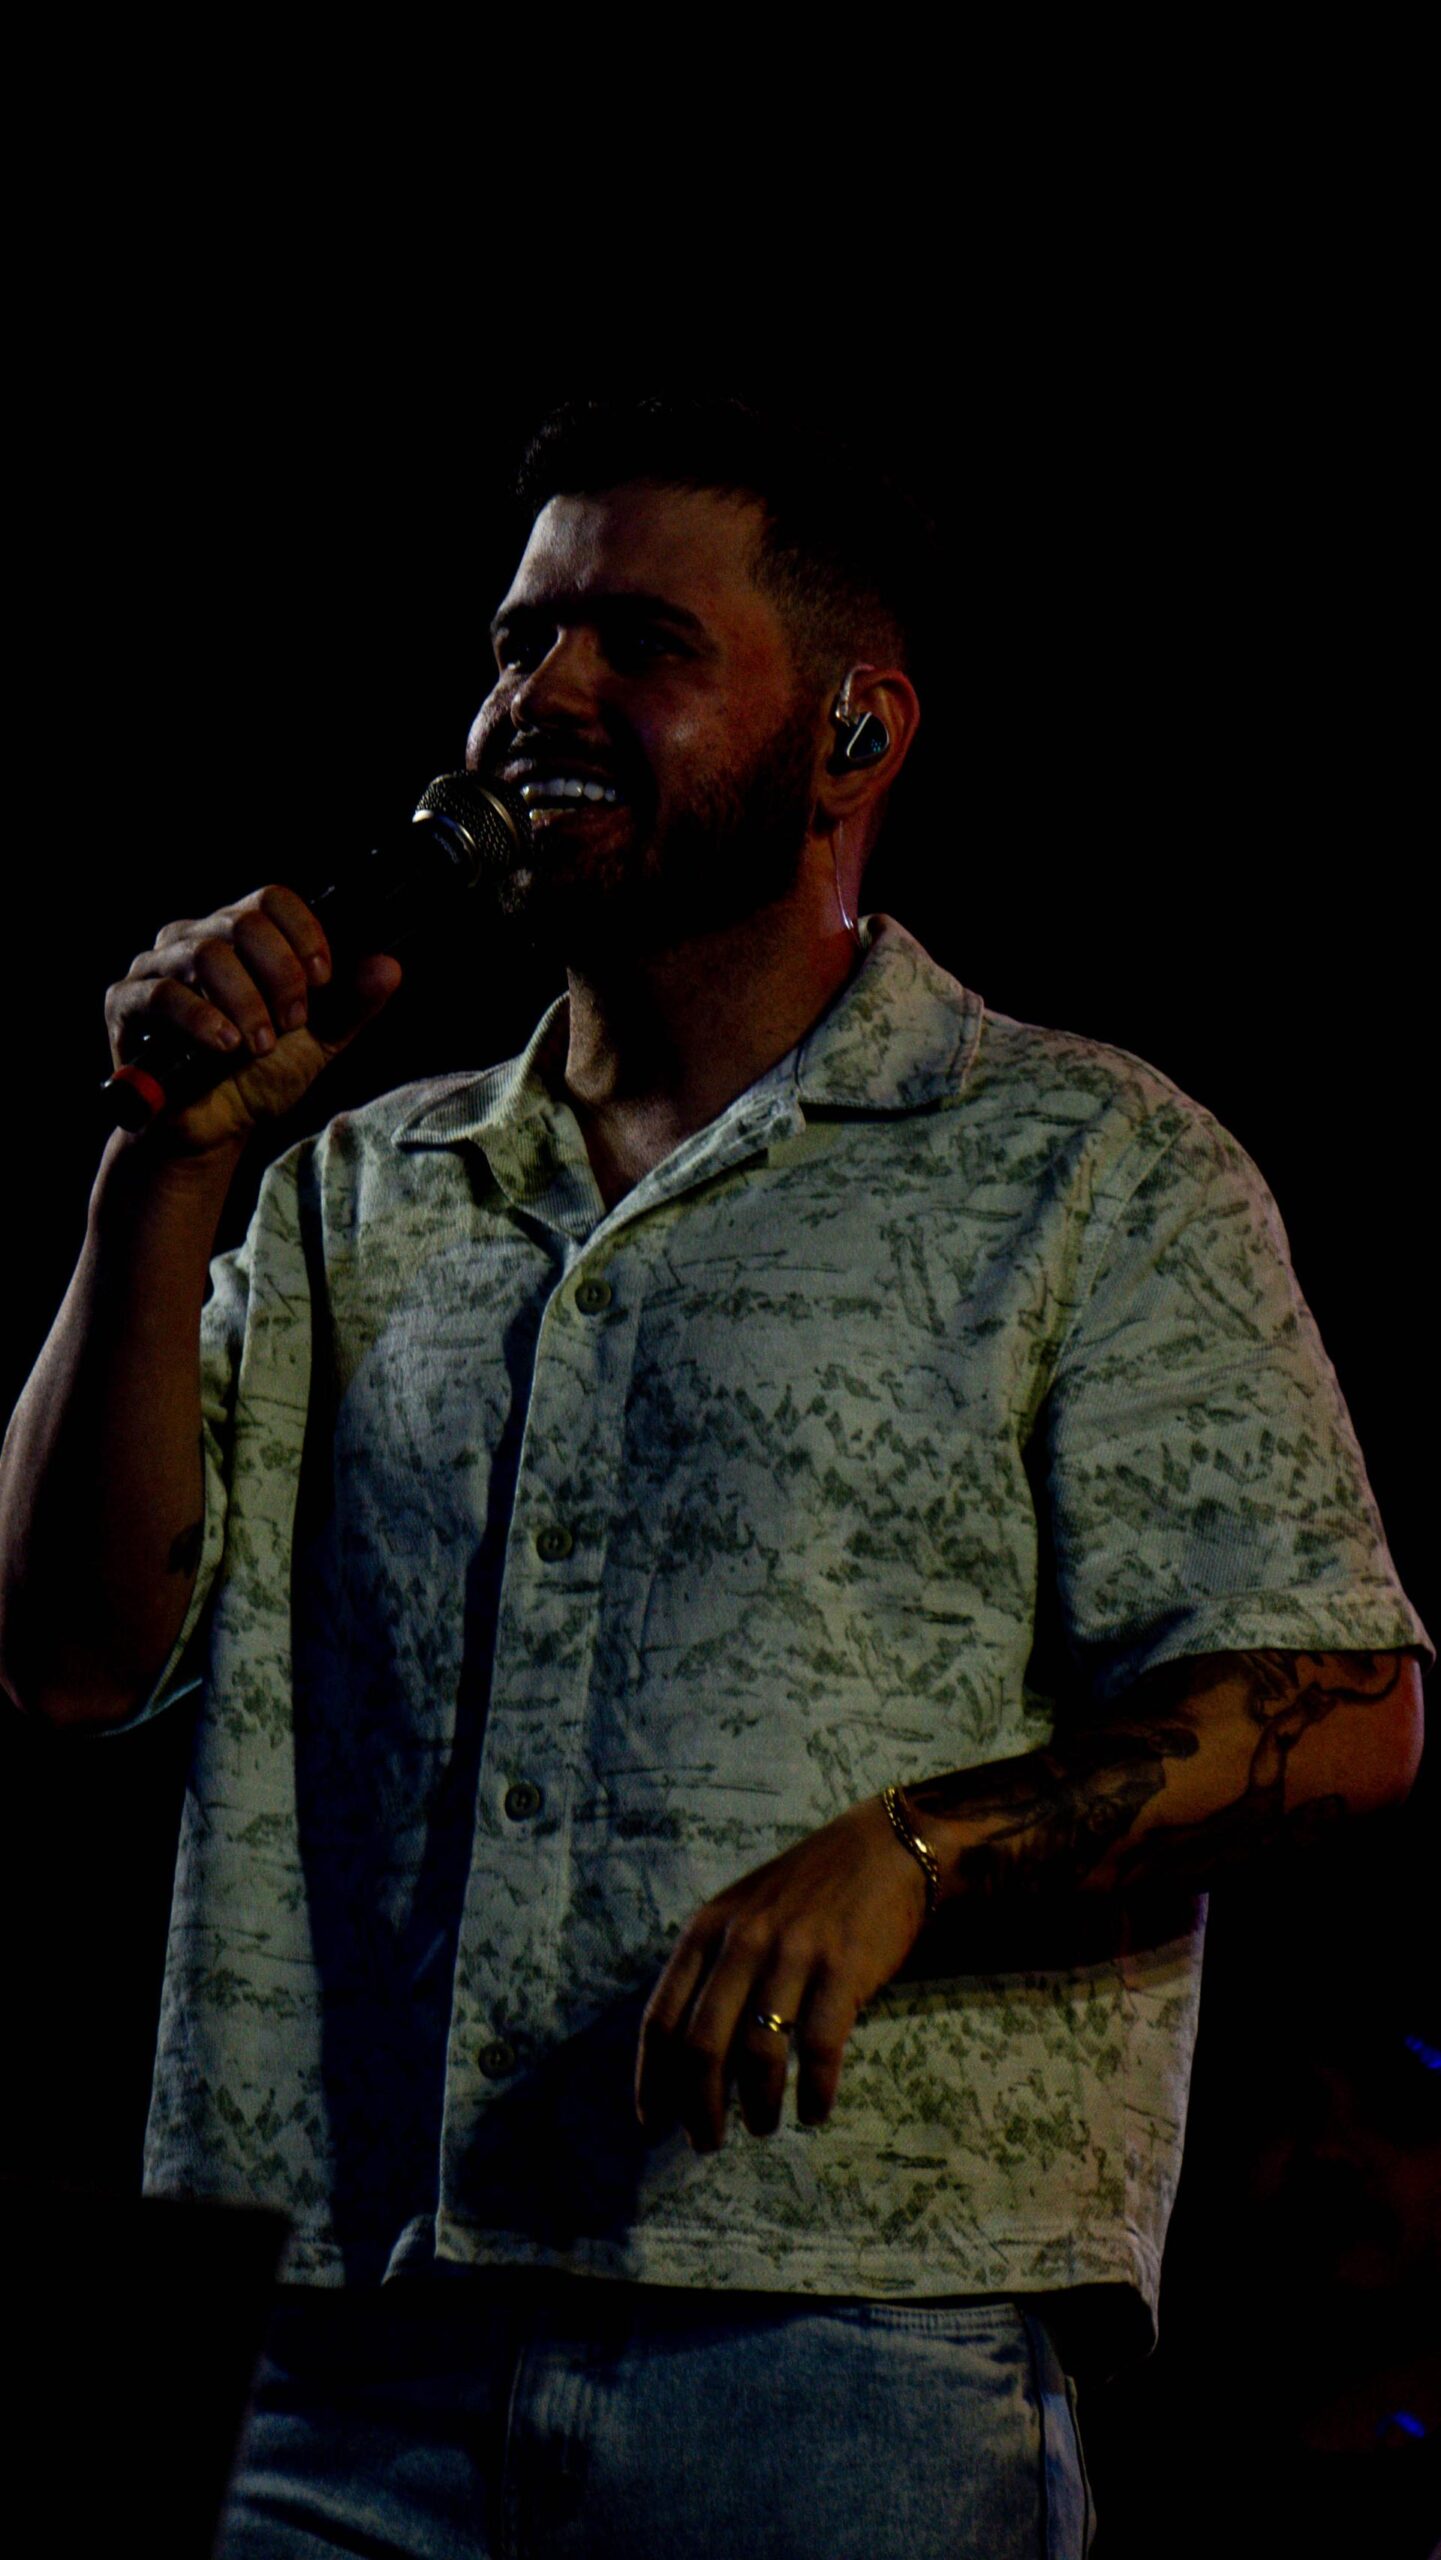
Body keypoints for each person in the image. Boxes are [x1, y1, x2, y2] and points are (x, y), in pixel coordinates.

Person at [0, 398, 1427, 2559]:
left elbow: (1343, 1702)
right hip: (337, 2355)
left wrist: (913, 1849)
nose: (541, 695)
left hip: (840, 2346)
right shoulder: (353, 1191)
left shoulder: (1083, 1164)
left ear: (854, 731)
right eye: (519, 640)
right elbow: (76, 1657)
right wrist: (162, 1171)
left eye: (640, 644)